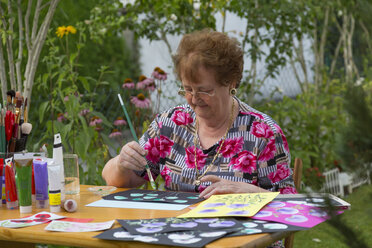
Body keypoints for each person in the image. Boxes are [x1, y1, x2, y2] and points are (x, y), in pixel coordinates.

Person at [102, 29, 297, 199]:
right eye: (187, 89)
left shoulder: (262, 133)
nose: (194, 99)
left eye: (204, 91)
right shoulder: (171, 124)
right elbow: (114, 179)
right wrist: (121, 164)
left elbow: (289, 206)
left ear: (231, 83)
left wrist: (249, 192)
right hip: (179, 235)